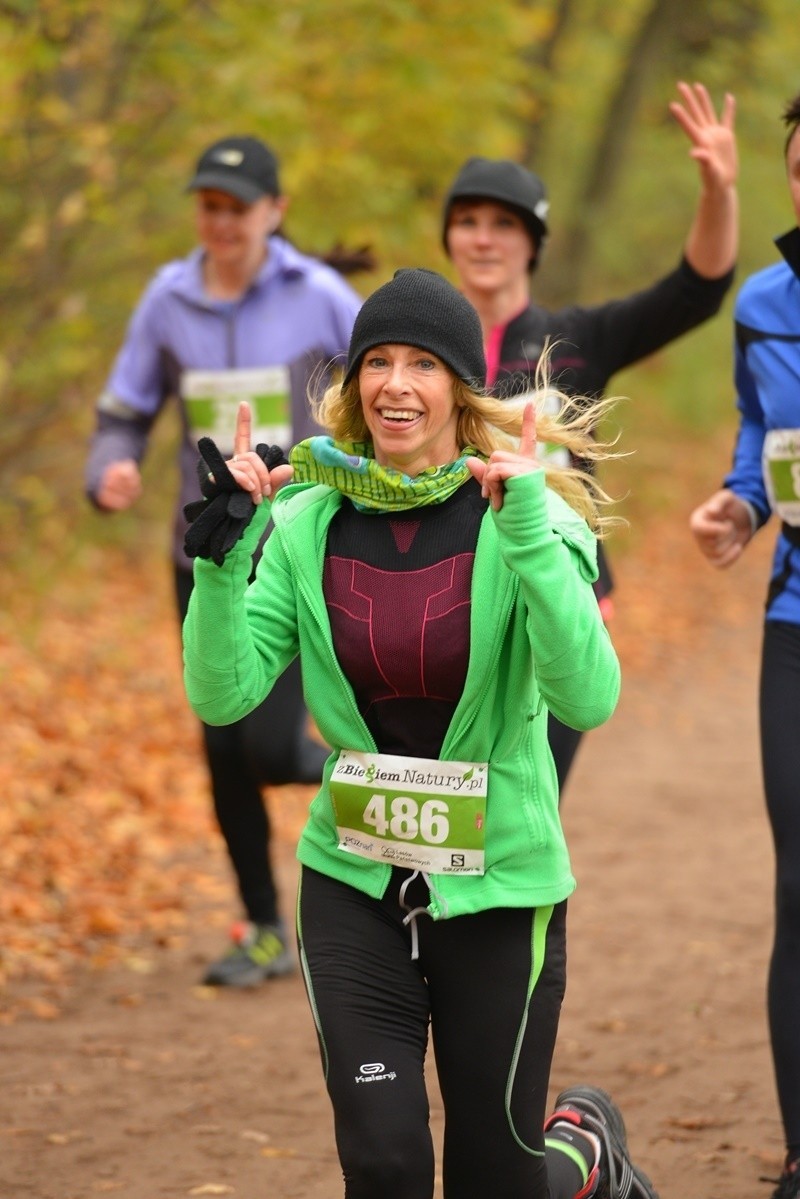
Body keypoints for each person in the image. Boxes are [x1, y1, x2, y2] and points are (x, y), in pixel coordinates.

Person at [182, 267, 655, 1198]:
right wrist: (220, 563)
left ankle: (586, 1155)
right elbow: (225, 696)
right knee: (385, 1161)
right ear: (355, 381)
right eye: (378, 362)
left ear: (461, 386)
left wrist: (526, 529)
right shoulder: (307, 518)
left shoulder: (528, 511)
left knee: (498, 1178)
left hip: (499, 885)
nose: (397, 383)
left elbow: (588, 695)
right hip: (354, 877)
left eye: (424, 364)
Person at [85, 135, 363, 986]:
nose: (223, 221)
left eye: (238, 207)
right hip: (206, 553)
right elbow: (123, 411)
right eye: (209, 205)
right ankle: (265, 929)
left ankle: (382, 782)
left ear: (274, 212)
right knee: (222, 744)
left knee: (273, 746)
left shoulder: (320, 296)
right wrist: (110, 470)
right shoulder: (167, 299)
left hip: (300, 550)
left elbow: (392, 392)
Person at [441, 80, 739, 790]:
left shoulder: (576, 339)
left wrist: (717, 192)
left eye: (504, 224)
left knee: (529, 802)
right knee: (454, 807)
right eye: (468, 220)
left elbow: (695, 290)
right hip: (449, 597)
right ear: (449, 235)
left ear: (533, 243)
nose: (484, 237)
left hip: (562, 597)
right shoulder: (419, 355)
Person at [689, 88, 800, 1199]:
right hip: (794, 625)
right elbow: (761, 434)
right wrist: (736, 504)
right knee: (797, 889)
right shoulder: (763, 301)